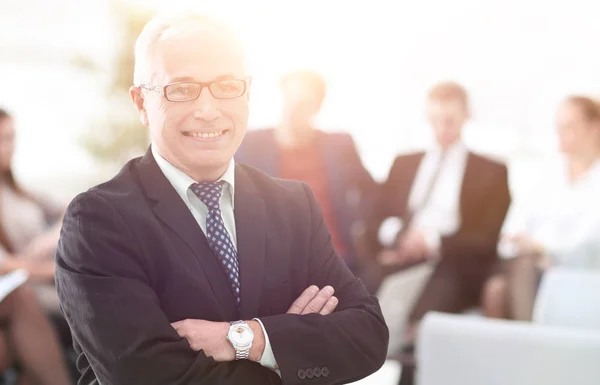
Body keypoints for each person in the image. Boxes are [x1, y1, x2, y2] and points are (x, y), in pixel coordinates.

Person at [55, 14, 388, 385]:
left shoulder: (293, 205)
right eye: (181, 89)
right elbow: (146, 376)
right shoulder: (99, 221)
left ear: (247, 93)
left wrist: (245, 338)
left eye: (226, 86)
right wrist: (289, 346)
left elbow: (368, 337)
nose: (209, 109)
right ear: (140, 103)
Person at [365, 82, 511, 351]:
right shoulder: (404, 163)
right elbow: (376, 217)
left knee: (423, 318)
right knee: (354, 294)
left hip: (453, 263)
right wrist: (400, 238)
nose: (442, 128)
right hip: (402, 256)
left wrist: (432, 241)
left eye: (450, 120)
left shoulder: (491, 171)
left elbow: (487, 237)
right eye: (435, 120)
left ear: (466, 116)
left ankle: (413, 360)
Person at [236, 70, 376, 275]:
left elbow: (372, 190)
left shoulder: (339, 145)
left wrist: (359, 224)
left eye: (302, 104)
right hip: (276, 262)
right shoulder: (250, 145)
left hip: (337, 257)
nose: (291, 110)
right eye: (288, 100)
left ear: (317, 106)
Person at [483, 96, 600, 321]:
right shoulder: (545, 175)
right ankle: (530, 347)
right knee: (496, 289)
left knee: (512, 280)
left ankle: (530, 346)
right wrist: (530, 250)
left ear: (594, 128)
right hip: (532, 268)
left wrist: (541, 248)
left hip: (577, 274)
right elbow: (511, 232)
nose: (560, 133)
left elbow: (588, 242)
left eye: (569, 126)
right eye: (558, 126)